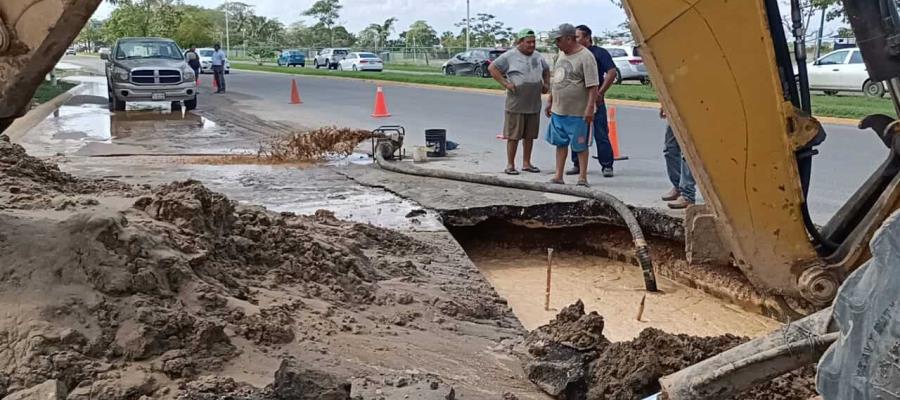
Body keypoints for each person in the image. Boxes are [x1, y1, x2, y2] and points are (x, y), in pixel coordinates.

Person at [488, 28, 550, 175]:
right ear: (520, 42)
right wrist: (506, 84)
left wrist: (546, 84)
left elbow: (546, 70)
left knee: (530, 135)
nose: (532, 45)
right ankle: (510, 164)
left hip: (534, 103)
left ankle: (527, 163)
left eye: (534, 42)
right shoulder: (510, 56)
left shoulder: (538, 56)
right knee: (513, 136)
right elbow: (492, 68)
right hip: (516, 103)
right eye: (528, 42)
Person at [545, 23, 600, 187]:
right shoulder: (561, 54)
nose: (556, 43)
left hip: (578, 112)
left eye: (558, 40)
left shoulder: (586, 57)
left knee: (580, 145)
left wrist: (590, 108)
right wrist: (550, 100)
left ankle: (582, 177)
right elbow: (558, 79)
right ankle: (558, 175)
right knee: (560, 143)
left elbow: (593, 86)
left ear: (569, 39)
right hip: (559, 110)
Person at [567, 24, 619, 178]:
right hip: (577, 101)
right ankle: (576, 163)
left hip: (595, 100)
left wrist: (600, 92)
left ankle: (607, 165)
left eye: (577, 37)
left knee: (601, 133)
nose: (575, 40)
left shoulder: (599, 53)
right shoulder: (572, 53)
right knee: (577, 132)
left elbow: (611, 72)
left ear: (587, 37)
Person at [660, 108, 696, 209]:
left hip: (691, 109)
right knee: (670, 148)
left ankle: (687, 195)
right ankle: (678, 187)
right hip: (675, 110)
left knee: (687, 152)